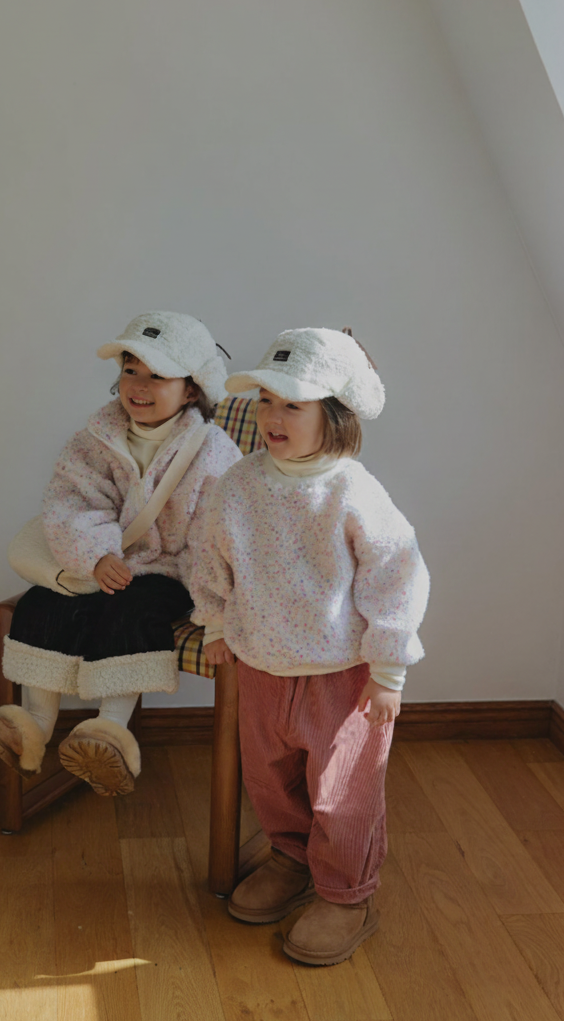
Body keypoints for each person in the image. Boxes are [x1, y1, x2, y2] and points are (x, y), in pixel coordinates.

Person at [190, 327, 429, 966]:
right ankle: (291, 858)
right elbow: (212, 559)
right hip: (262, 661)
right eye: (265, 400)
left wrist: (388, 670)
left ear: (337, 417)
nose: (271, 416)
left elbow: (397, 574)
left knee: (343, 787)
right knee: (269, 774)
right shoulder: (237, 485)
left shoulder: (353, 491)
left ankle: (347, 893)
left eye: (292, 404)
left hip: (343, 672)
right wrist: (215, 625)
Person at [0, 311, 242, 796]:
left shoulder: (213, 451)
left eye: (158, 376)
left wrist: (215, 613)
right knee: (42, 603)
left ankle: (109, 732)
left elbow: (217, 534)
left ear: (192, 389)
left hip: (172, 571)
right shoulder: (96, 438)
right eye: (130, 370)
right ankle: (30, 728)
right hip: (100, 562)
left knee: (132, 610)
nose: (139, 385)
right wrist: (94, 554)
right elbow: (72, 499)